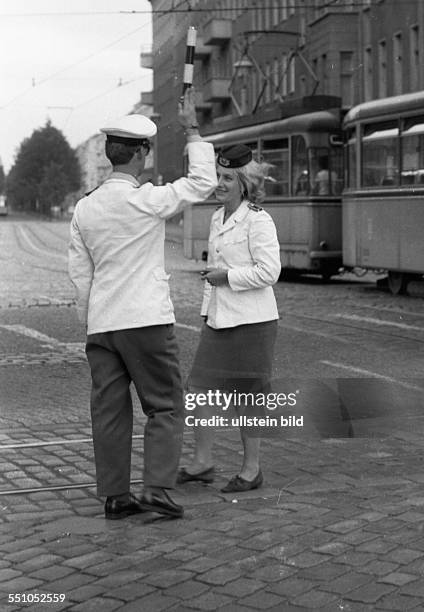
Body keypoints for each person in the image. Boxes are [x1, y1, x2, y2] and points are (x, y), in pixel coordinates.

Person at [68, 88, 217, 520]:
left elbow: (81, 275)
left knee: (110, 411)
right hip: (146, 320)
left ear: (112, 154)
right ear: (140, 155)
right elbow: (201, 183)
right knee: (165, 405)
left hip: (102, 326)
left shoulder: (85, 208)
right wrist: (192, 128)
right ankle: (156, 489)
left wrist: (92, 320)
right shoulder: (146, 199)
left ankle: (115, 495)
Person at [177, 144, 281, 493]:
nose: (218, 184)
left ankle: (252, 470)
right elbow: (214, 270)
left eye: (226, 178)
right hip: (219, 319)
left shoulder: (258, 220)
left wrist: (228, 278)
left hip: (253, 322)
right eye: (218, 177)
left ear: (244, 184)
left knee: (246, 396)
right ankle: (202, 461)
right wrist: (207, 310)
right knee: (200, 389)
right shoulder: (216, 217)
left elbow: (270, 272)